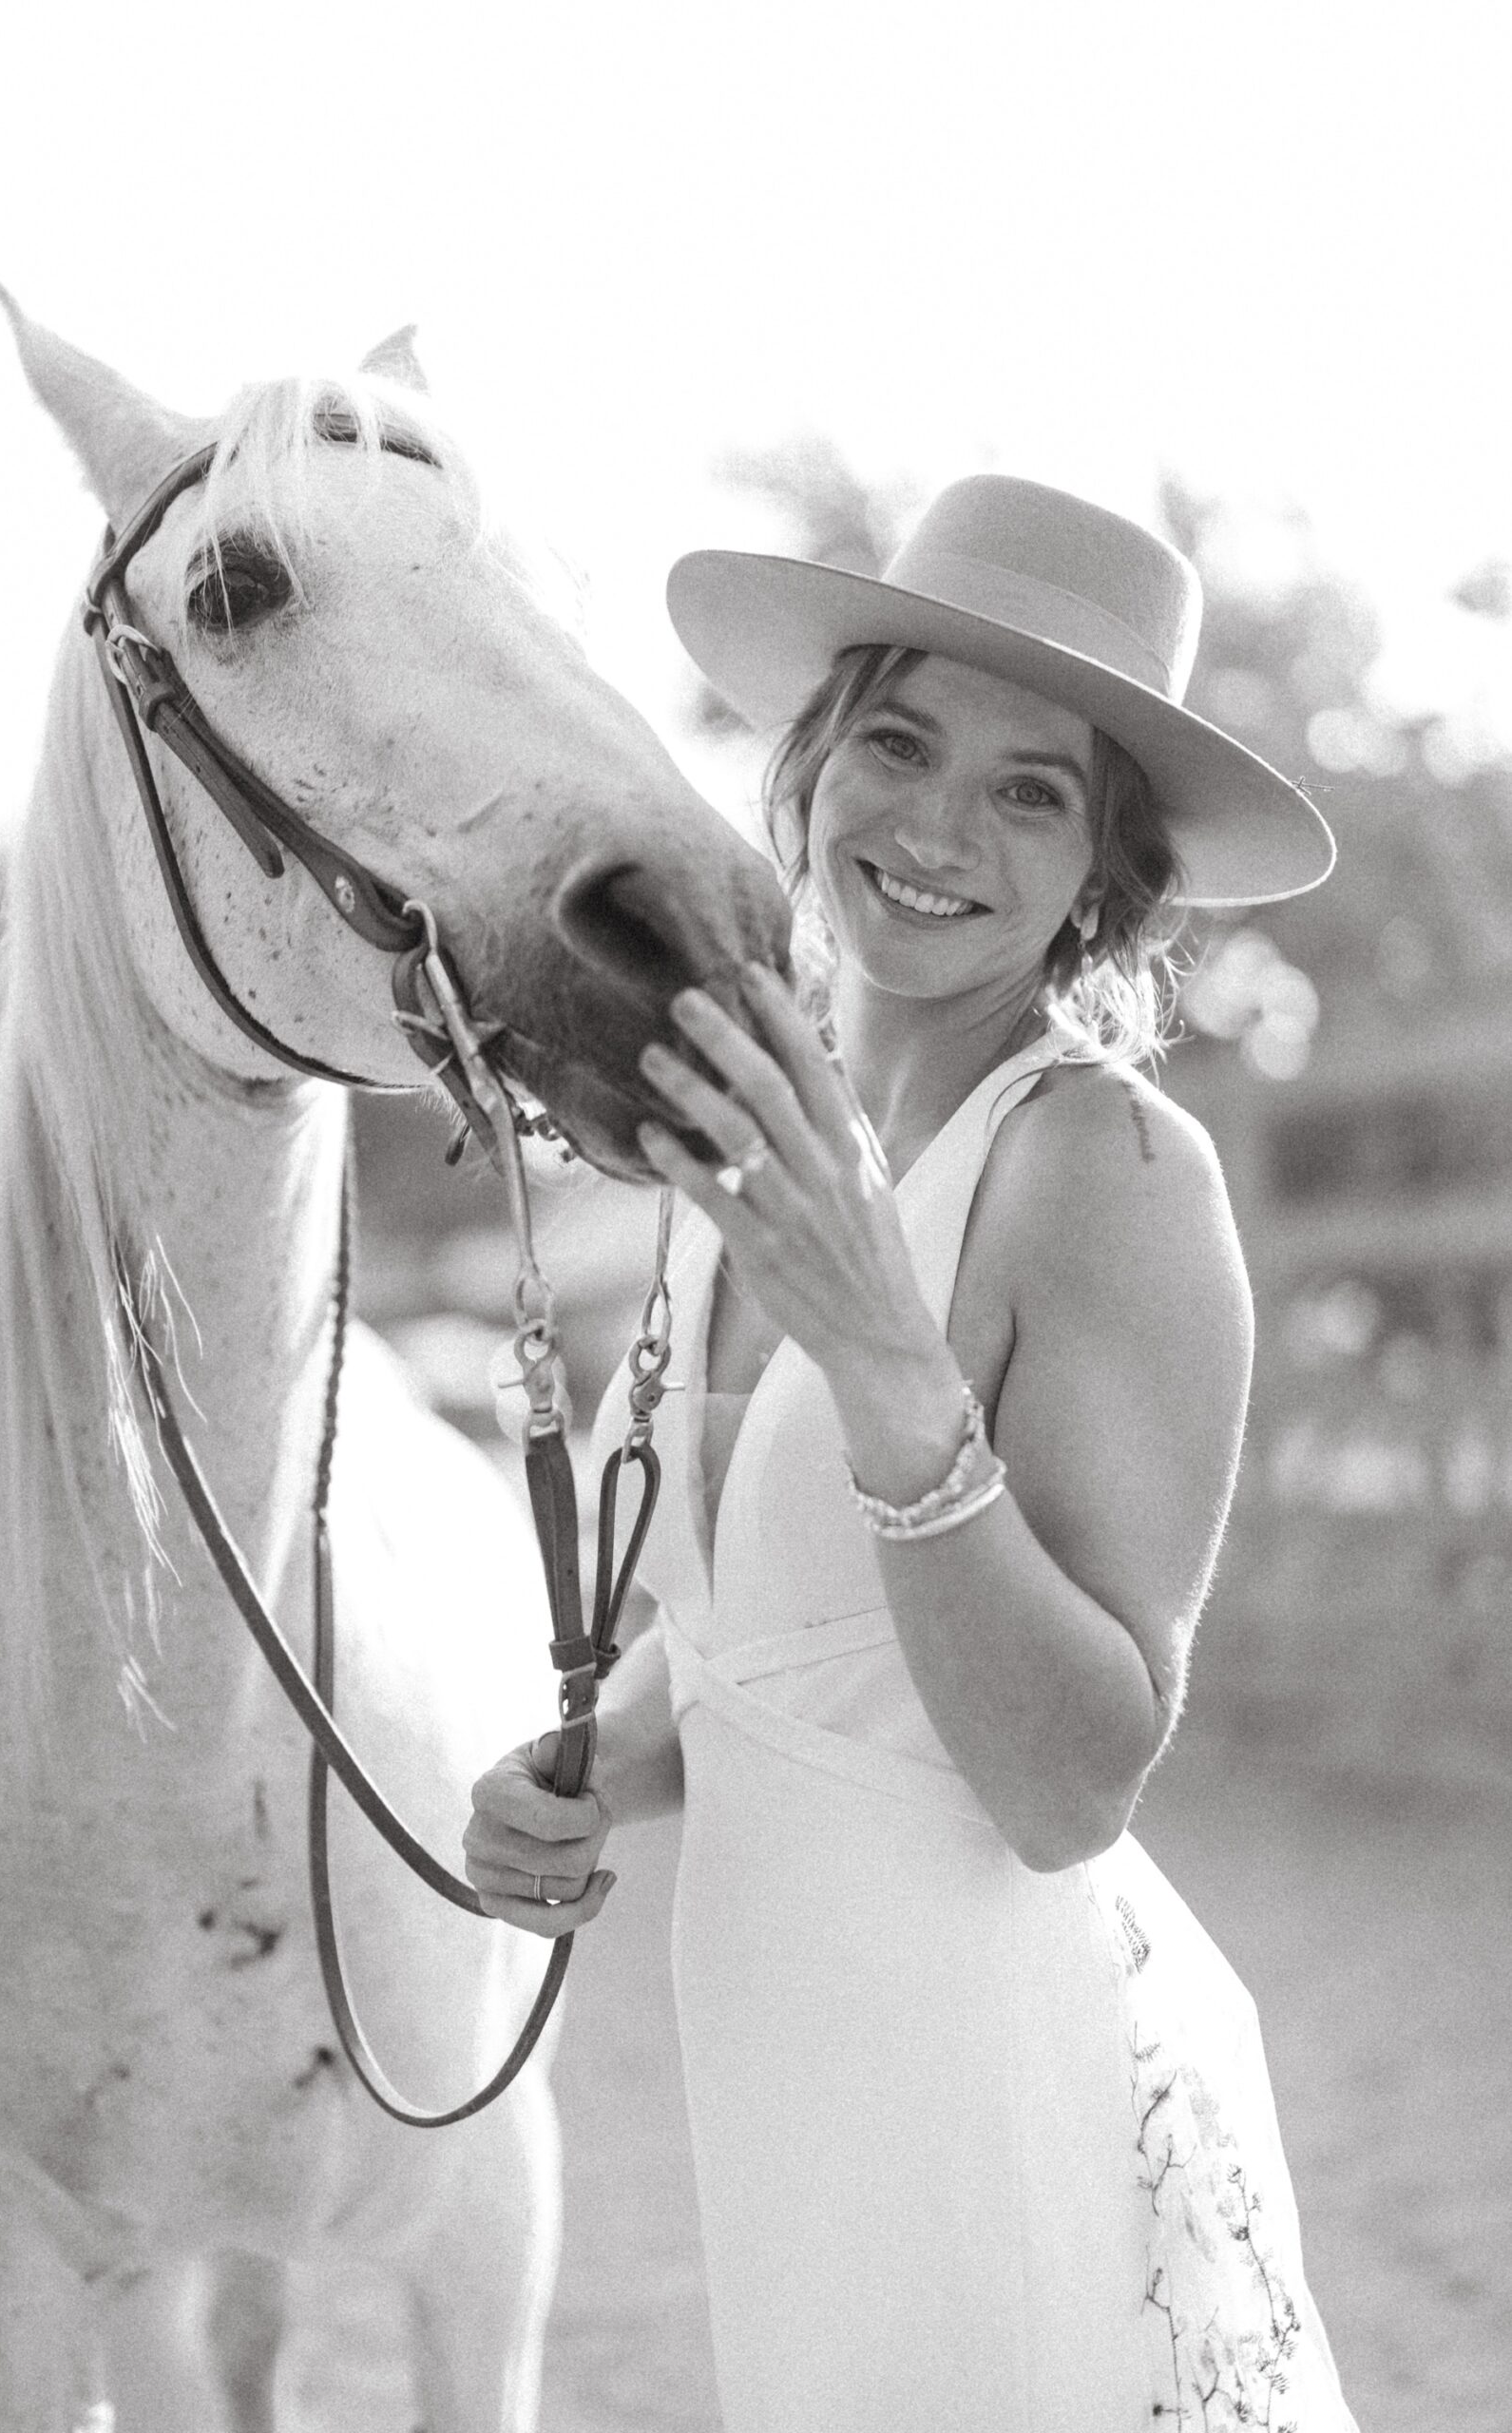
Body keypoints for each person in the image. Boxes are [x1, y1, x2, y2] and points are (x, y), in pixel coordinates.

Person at [464, 477, 1358, 2429]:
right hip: (777, 2084)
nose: (937, 825)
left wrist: (884, 1353)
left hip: (997, 2095)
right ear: (811, 767)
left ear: (1103, 879)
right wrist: (591, 1777)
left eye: (1031, 790)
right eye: (897, 740)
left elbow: (1065, 1779)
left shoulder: (1107, 1173)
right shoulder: (746, 1137)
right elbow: (799, 1682)